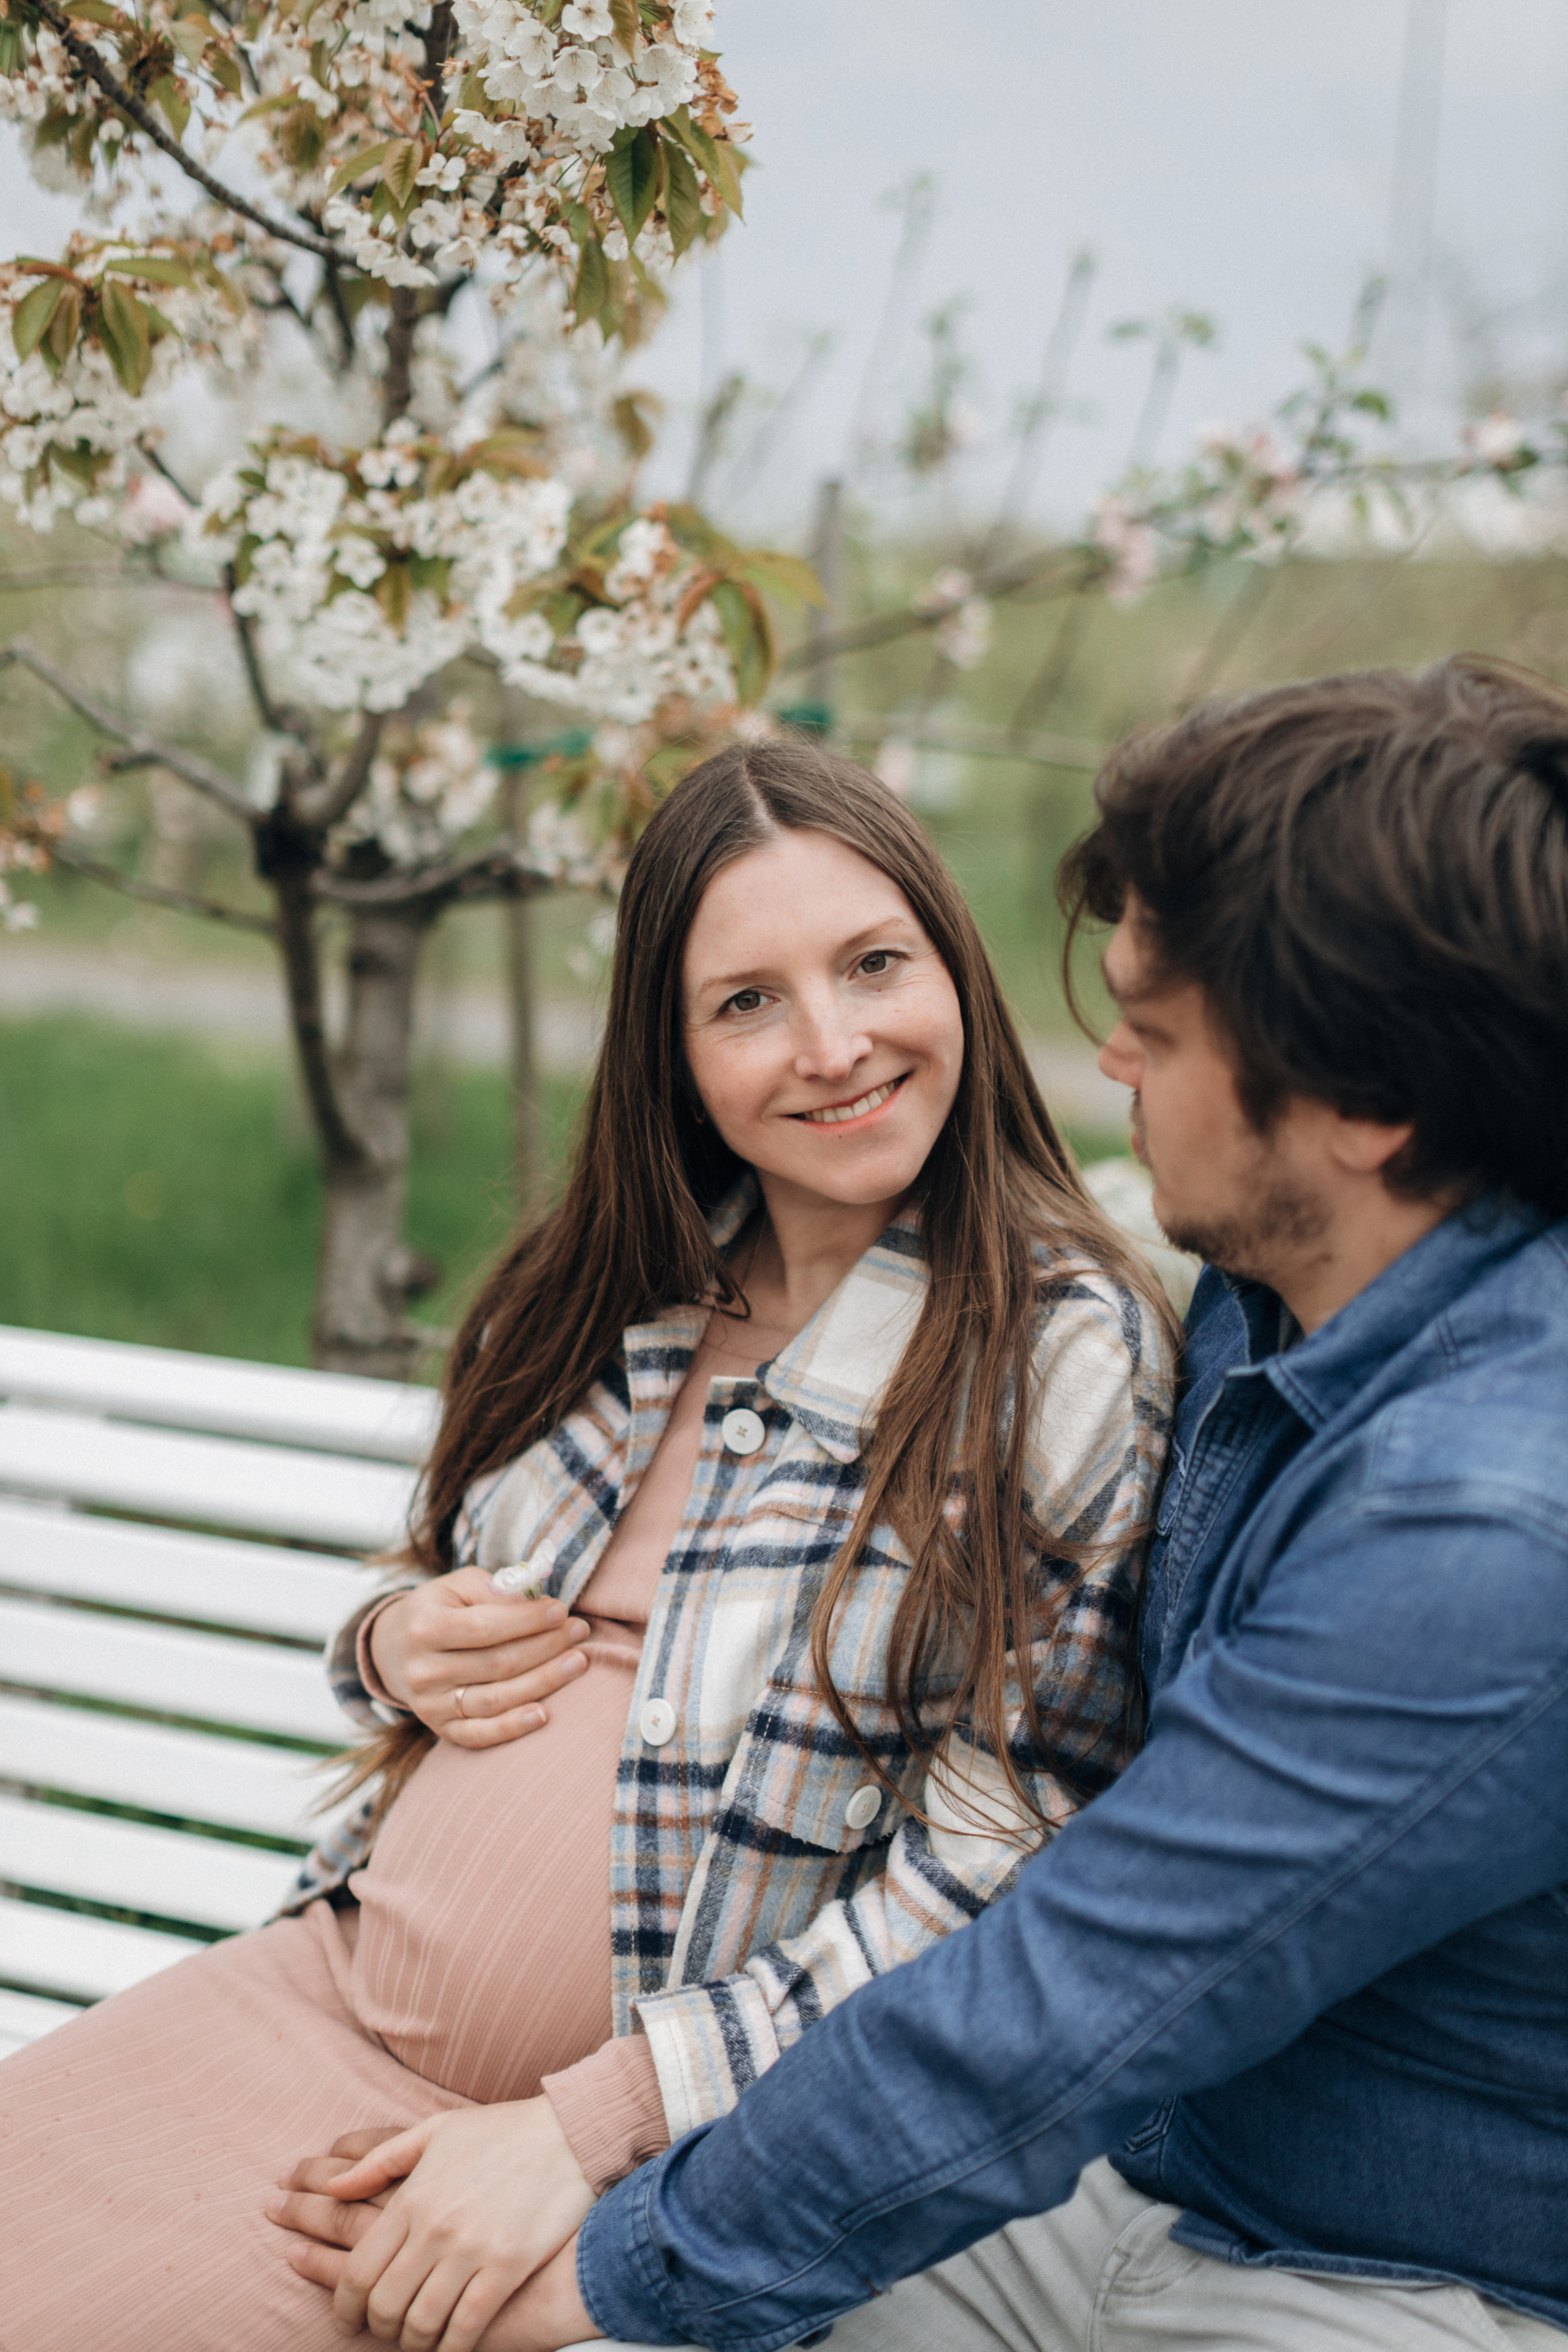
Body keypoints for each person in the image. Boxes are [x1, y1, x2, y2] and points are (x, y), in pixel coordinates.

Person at [327, 654, 1568, 2352]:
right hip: (1121, 2178)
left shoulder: (1489, 1532)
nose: (1104, 1054)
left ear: (1370, 1108)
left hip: (1389, 2277)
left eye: (1160, 1024)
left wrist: (611, 2264)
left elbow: (1074, 1986)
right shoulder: (1281, 1286)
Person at [0, 740, 1172, 2352]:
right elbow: (441, 1609)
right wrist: (391, 1650)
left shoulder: (1058, 1354)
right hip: (315, 1994)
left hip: (608, 2154)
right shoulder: (628, 1290)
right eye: (745, 1001)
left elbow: (989, 1876)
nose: (832, 1044)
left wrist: (586, 2126)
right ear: (674, 1051)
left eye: (874, 964)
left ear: (952, 966)